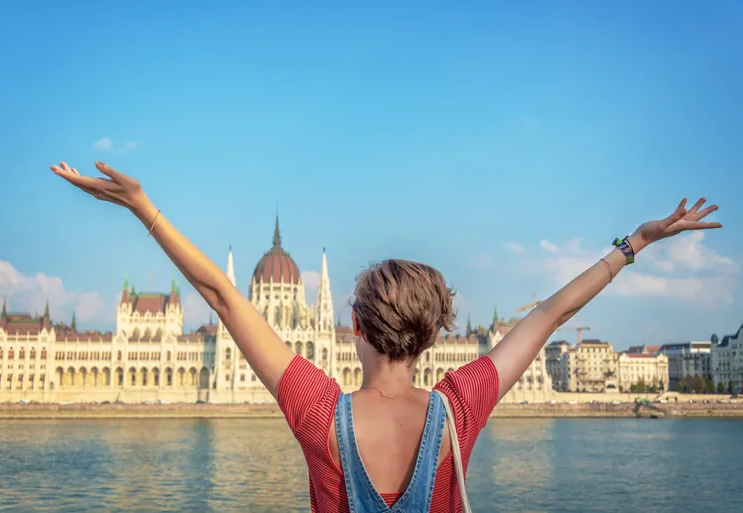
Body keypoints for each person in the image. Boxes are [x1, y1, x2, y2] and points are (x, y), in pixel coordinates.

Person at [50, 161, 722, 513]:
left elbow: (223, 297)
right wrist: (633, 243)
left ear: (353, 328)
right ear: (431, 336)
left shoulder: (318, 410)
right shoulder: (458, 409)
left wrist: (145, 208)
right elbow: (547, 315)